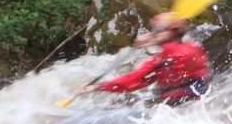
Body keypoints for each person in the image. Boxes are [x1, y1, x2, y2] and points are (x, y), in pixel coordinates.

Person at [80, 12, 210, 107]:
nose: (154, 33)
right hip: (168, 112)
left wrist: (152, 40)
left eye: (159, 30)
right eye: (154, 31)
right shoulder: (159, 59)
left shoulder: (193, 49)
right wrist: (98, 87)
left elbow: (181, 57)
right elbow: (132, 80)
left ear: (174, 30)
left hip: (194, 110)